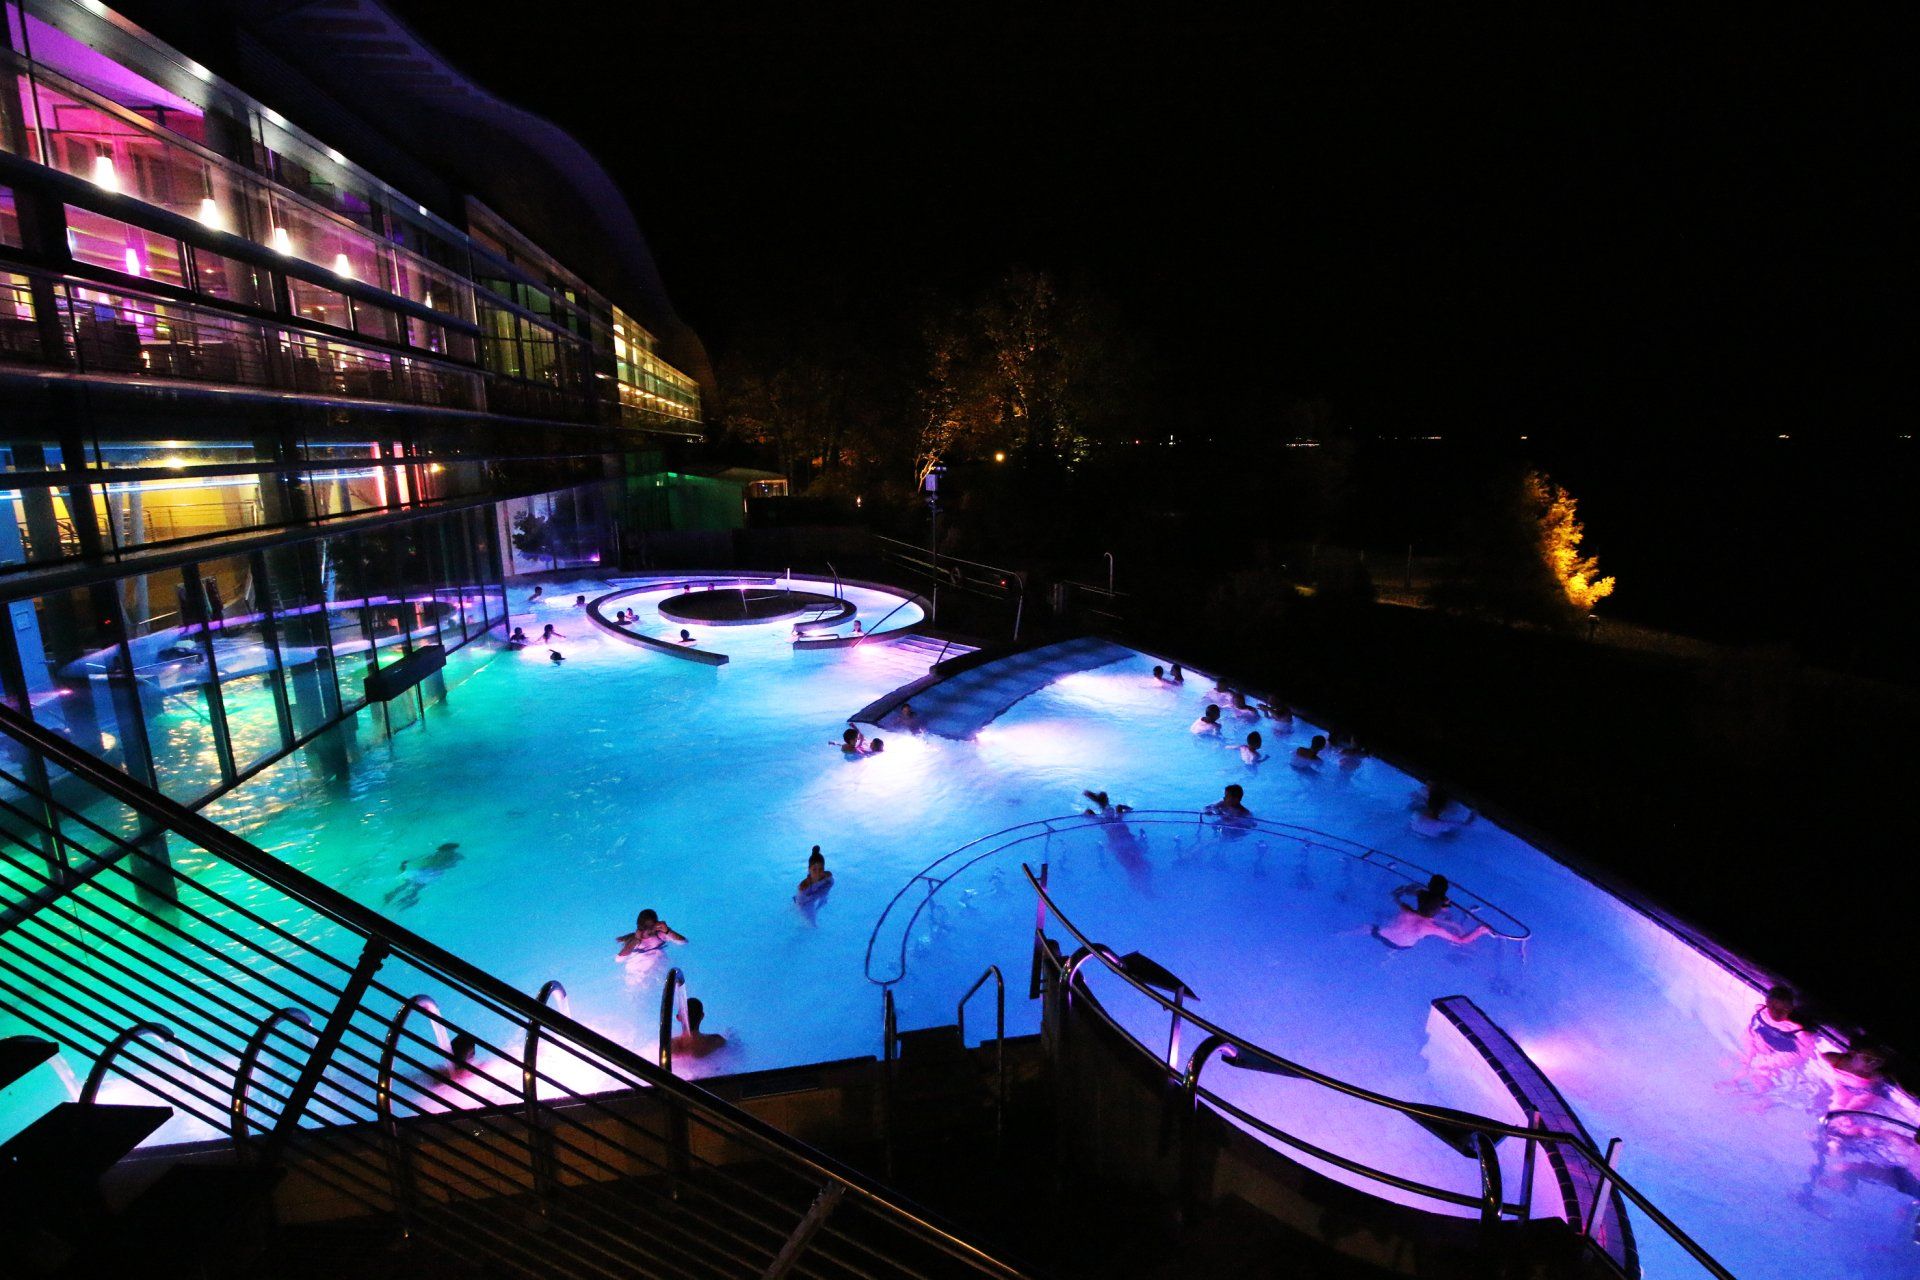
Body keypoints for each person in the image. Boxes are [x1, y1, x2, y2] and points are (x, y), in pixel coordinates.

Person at [1373, 876, 1494, 949]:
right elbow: (1460, 940)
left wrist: (1402, 891)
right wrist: (1481, 930)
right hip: (1403, 946)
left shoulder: (1406, 909)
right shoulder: (1431, 928)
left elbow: (1395, 897)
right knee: (1449, 920)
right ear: (1439, 908)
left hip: (1382, 935)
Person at [1734, 985, 1811, 1090]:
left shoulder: (1795, 1028)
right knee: (1747, 1050)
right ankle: (1738, 1077)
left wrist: (1768, 1062)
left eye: (1784, 1009)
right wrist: (1750, 1053)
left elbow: (1801, 1054)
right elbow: (1751, 1032)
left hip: (1781, 1052)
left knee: (1762, 1068)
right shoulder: (1760, 1012)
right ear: (1767, 1003)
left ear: (1791, 1009)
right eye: (1774, 1007)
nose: (1777, 1013)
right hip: (1764, 1041)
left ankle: (1761, 1091)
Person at [615, 909, 687, 958]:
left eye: (652, 926)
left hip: (658, 963)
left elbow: (683, 942)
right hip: (638, 966)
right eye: (646, 927)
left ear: (657, 925)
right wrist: (636, 940)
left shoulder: (660, 934)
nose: (649, 930)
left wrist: (667, 931)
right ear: (640, 927)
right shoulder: (635, 939)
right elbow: (620, 958)